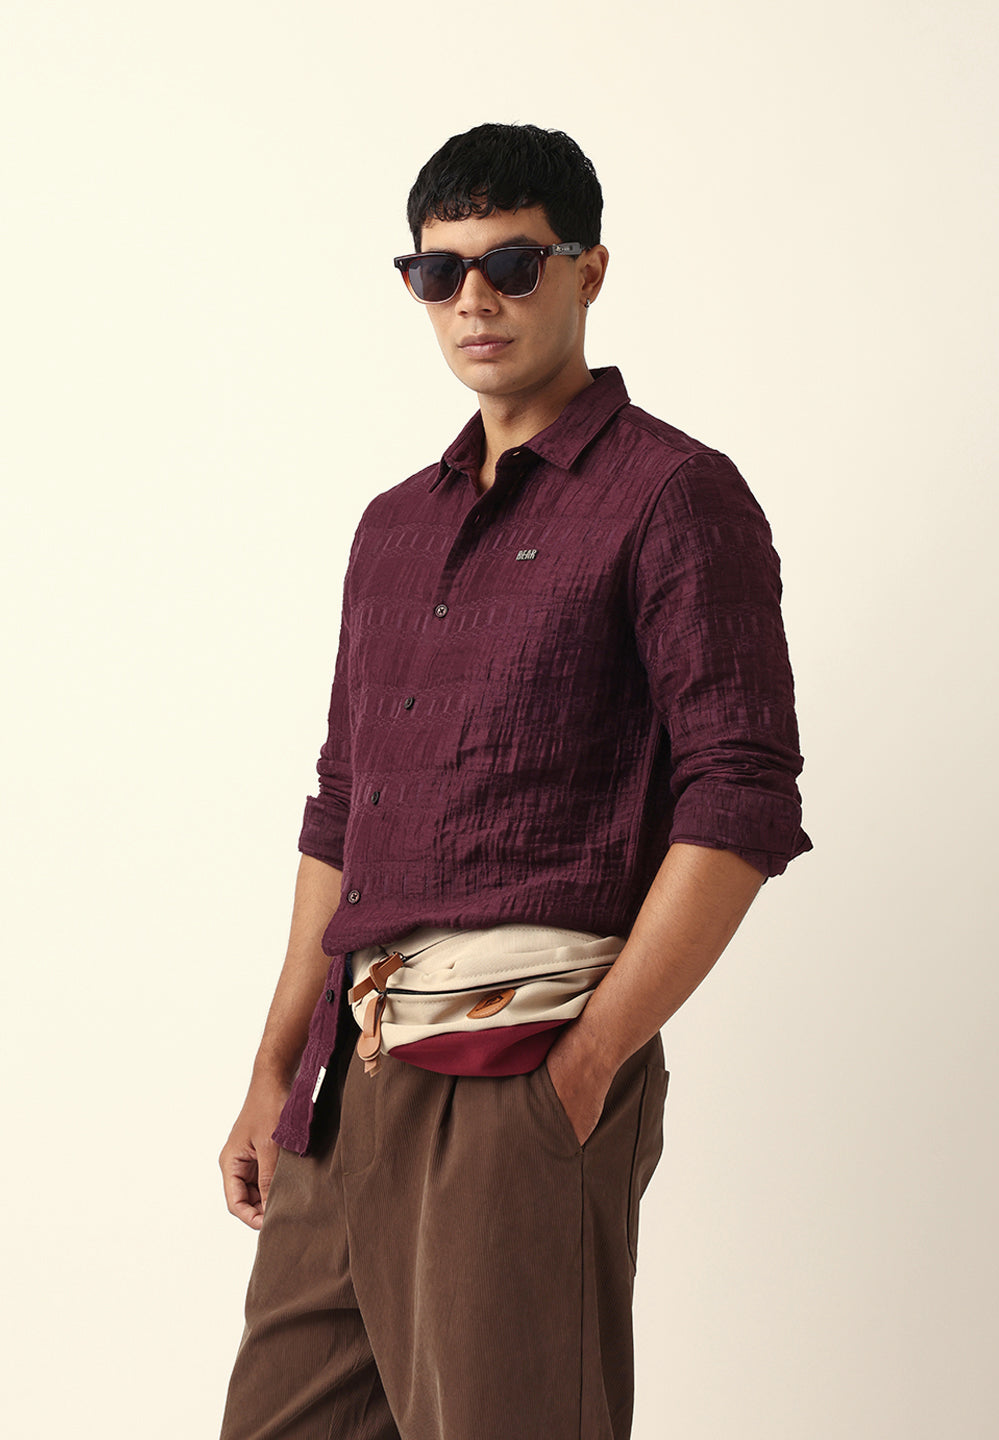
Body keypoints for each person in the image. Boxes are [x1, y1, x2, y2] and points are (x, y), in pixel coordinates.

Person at [218, 122, 811, 1440]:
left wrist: (587, 1066)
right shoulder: (393, 526)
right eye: (441, 273)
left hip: (519, 1070)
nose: (474, 300)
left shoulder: (674, 496)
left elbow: (740, 795)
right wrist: (274, 1070)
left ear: (588, 271)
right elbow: (342, 805)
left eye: (513, 264)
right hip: (343, 1079)